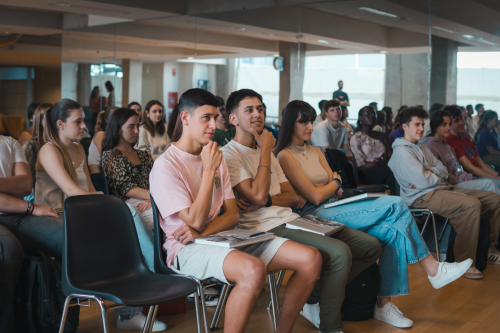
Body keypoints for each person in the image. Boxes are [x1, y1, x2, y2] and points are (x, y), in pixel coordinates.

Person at [275, 100, 471, 329]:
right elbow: (319, 194)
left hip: (334, 204)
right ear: (291, 124)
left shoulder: (316, 150)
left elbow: (335, 186)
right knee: (397, 204)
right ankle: (433, 268)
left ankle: (383, 304)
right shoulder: (285, 155)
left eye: (311, 120)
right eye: (303, 122)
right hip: (313, 214)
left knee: (391, 233)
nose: (310, 126)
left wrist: (330, 186)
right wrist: (331, 185)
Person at [150, 88, 322, 333]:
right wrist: (209, 171)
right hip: (185, 248)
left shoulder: (214, 155)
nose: (213, 125)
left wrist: (201, 231)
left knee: (311, 258)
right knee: (253, 270)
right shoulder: (166, 165)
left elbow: (232, 215)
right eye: (205, 118)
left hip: (220, 235)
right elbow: (195, 221)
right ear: (185, 118)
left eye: (214, 117)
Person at [221, 89, 381, 332]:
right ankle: (331, 326)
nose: (257, 114)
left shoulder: (271, 154)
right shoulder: (230, 154)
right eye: (249, 110)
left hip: (293, 218)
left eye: (261, 109)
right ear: (233, 119)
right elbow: (255, 194)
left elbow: (292, 198)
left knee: (370, 246)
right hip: (265, 227)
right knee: (339, 253)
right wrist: (265, 150)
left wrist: (266, 200)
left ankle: (315, 294)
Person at [36, 100, 163, 330]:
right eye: (78, 121)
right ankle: (154, 275)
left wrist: (107, 207)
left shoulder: (77, 148)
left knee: (128, 225)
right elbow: (72, 192)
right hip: (57, 217)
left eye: (83, 119)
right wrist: (110, 208)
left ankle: (132, 307)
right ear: (60, 124)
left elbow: (91, 191)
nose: (85, 125)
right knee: (128, 216)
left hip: (81, 215)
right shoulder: (48, 150)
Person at [388, 107, 500, 280]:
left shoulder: (421, 147)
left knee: (494, 199)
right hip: (421, 197)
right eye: (416, 124)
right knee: (470, 205)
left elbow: (443, 171)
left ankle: (488, 250)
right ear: (405, 126)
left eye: (422, 124)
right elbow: (424, 181)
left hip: (438, 189)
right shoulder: (401, 152)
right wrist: (432, 173)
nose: (421, 128)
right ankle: (464, 262)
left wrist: (429, 171)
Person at [0, 135, 69, 333]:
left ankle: (64, 322)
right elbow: (19, 186)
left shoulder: (9, 142)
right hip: (24, 211)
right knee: (9, 252)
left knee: (70, 240)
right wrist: (31, 207)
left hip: (20, 215)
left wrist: (26, 207)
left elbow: (24, 185)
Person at [423, 110, 500, 195]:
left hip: (460, 179)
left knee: (490, 187)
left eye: (449, 124)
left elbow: (457, 168)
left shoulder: (447, 146)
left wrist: (465, 176)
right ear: (435, 127)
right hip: (448, 184)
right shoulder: (430, 145)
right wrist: (465, 177)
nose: (448, 127)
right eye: (444, 125)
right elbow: (440, 174)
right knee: (489, 184)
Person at [101, 108, 155, 229]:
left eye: (137, 126)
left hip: (150, 200)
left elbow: (157, 181)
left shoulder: (144, 154)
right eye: (131, 127)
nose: (136, 131)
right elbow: (126, 189)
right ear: (118, 129)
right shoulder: (111, 155)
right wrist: (155, 197)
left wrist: (153, 200)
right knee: (167, 216)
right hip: (128, 205)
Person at [444, 106, 500, 188]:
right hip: (470, 177)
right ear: (448, 124)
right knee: (494, 183)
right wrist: (496, 178)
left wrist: (497, 175)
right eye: (456, 121)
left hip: (479, 174)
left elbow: (481, 164)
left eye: (462, 118)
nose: (462, 123)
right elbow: (471, 168)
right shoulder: (449, 141)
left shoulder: (467, 140)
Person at [351, 107, 398, 195]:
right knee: (396, 165)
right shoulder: (357, 138)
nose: (371, 116)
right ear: (360, 118)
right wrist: (382, 160)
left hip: (385, 169)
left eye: (373, 114)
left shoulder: (382, 135)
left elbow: (391, 157)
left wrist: (373, 163)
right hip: (367, 175)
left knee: (393, 178)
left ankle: (395, 206)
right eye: (367, 114)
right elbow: (362, 166)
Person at [22, 103, 51, 201]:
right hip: (37, 196)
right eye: (50, 118)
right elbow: (27, 181)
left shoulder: (59, 144)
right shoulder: (31, 145)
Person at [88, 106, 119, 192]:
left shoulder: (117, 137)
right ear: (106, 120)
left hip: (110, 177)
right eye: (115, 117)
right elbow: (109, 159)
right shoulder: (101, 134)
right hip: (99, 179)